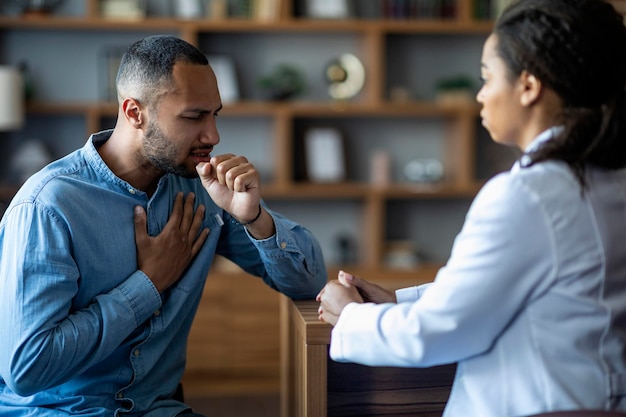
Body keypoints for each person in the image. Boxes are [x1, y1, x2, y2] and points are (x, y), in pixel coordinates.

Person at [316, 0, 626, 416]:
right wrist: (400, 302)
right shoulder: (610, 180)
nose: (480, 95)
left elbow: (436, 335)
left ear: (529, 86)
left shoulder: (528, 195)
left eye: (487, 77)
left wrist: (350, 315)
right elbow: (524, 286)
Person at [0, 35, 327, 416]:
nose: (213, 136)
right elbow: (27, 368)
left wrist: (254, 218)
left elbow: (310, 281)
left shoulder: (202, 191)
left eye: (214, 114)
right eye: (193, 117)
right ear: (134, 112)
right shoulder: (48, 207)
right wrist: (148, 285)